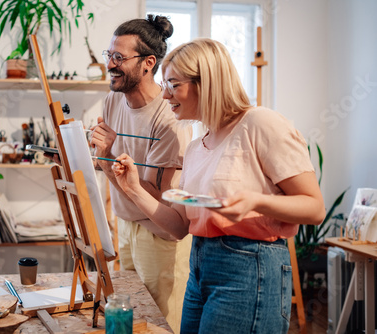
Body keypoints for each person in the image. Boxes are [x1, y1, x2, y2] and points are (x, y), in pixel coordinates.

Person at [110, 38, 326, 334]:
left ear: (206, 83)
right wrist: (132, 188)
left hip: (250, 266)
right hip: (201, 265)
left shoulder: (261, 123)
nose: (165, 95)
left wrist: (256, 202)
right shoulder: (198, 146)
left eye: (173, 85)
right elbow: (178, 227)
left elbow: (314, 208)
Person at [89, 15, 193, 333]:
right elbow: (110, 171)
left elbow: (155, 196)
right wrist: (97, 156)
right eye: (110, 55)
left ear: (148, 63)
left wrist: (104, 157)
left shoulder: (168, 120)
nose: (110, 65)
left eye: (119, 58)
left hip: (159, 234)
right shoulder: (112, 101)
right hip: (126, 224)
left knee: (161, 323)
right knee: (133, 319)